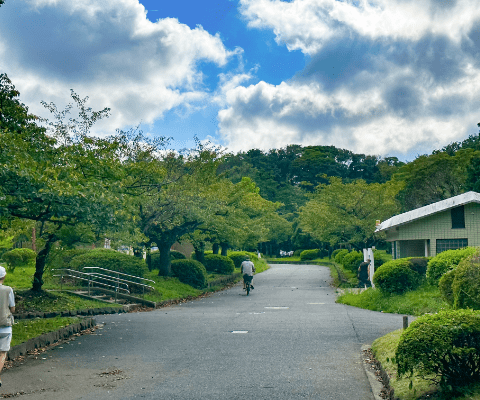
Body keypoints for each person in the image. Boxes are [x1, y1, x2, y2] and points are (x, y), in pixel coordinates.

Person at [0, 266, 15, 387]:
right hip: (5, 326)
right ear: (4, 276)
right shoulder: (8, 290)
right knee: (2, 353)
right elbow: (12, 308)